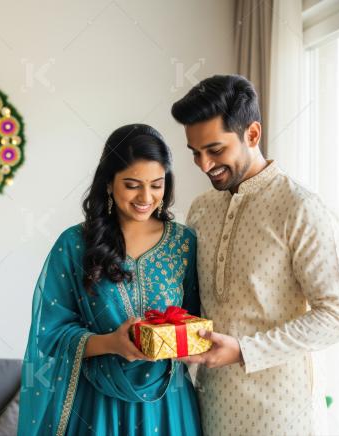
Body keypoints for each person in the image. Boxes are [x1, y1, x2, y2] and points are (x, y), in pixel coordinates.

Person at [172, 74, 339, 434]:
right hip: (208, 408)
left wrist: (244, 350)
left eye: (215, 150)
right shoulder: (201, 210)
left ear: (252, 135)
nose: (204, 165)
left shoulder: (300, 209)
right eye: (195, 153)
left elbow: (337, 316)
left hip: (279, 416)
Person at [17, 124, 202, 435]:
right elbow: (48, 334)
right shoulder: (75, 244)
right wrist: (111, 343)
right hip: (95, 405)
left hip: (167, 404)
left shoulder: (183, 243)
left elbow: (197, 320)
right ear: (108, 183)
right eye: (132, 185)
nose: (146, 197)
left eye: (156, 185)